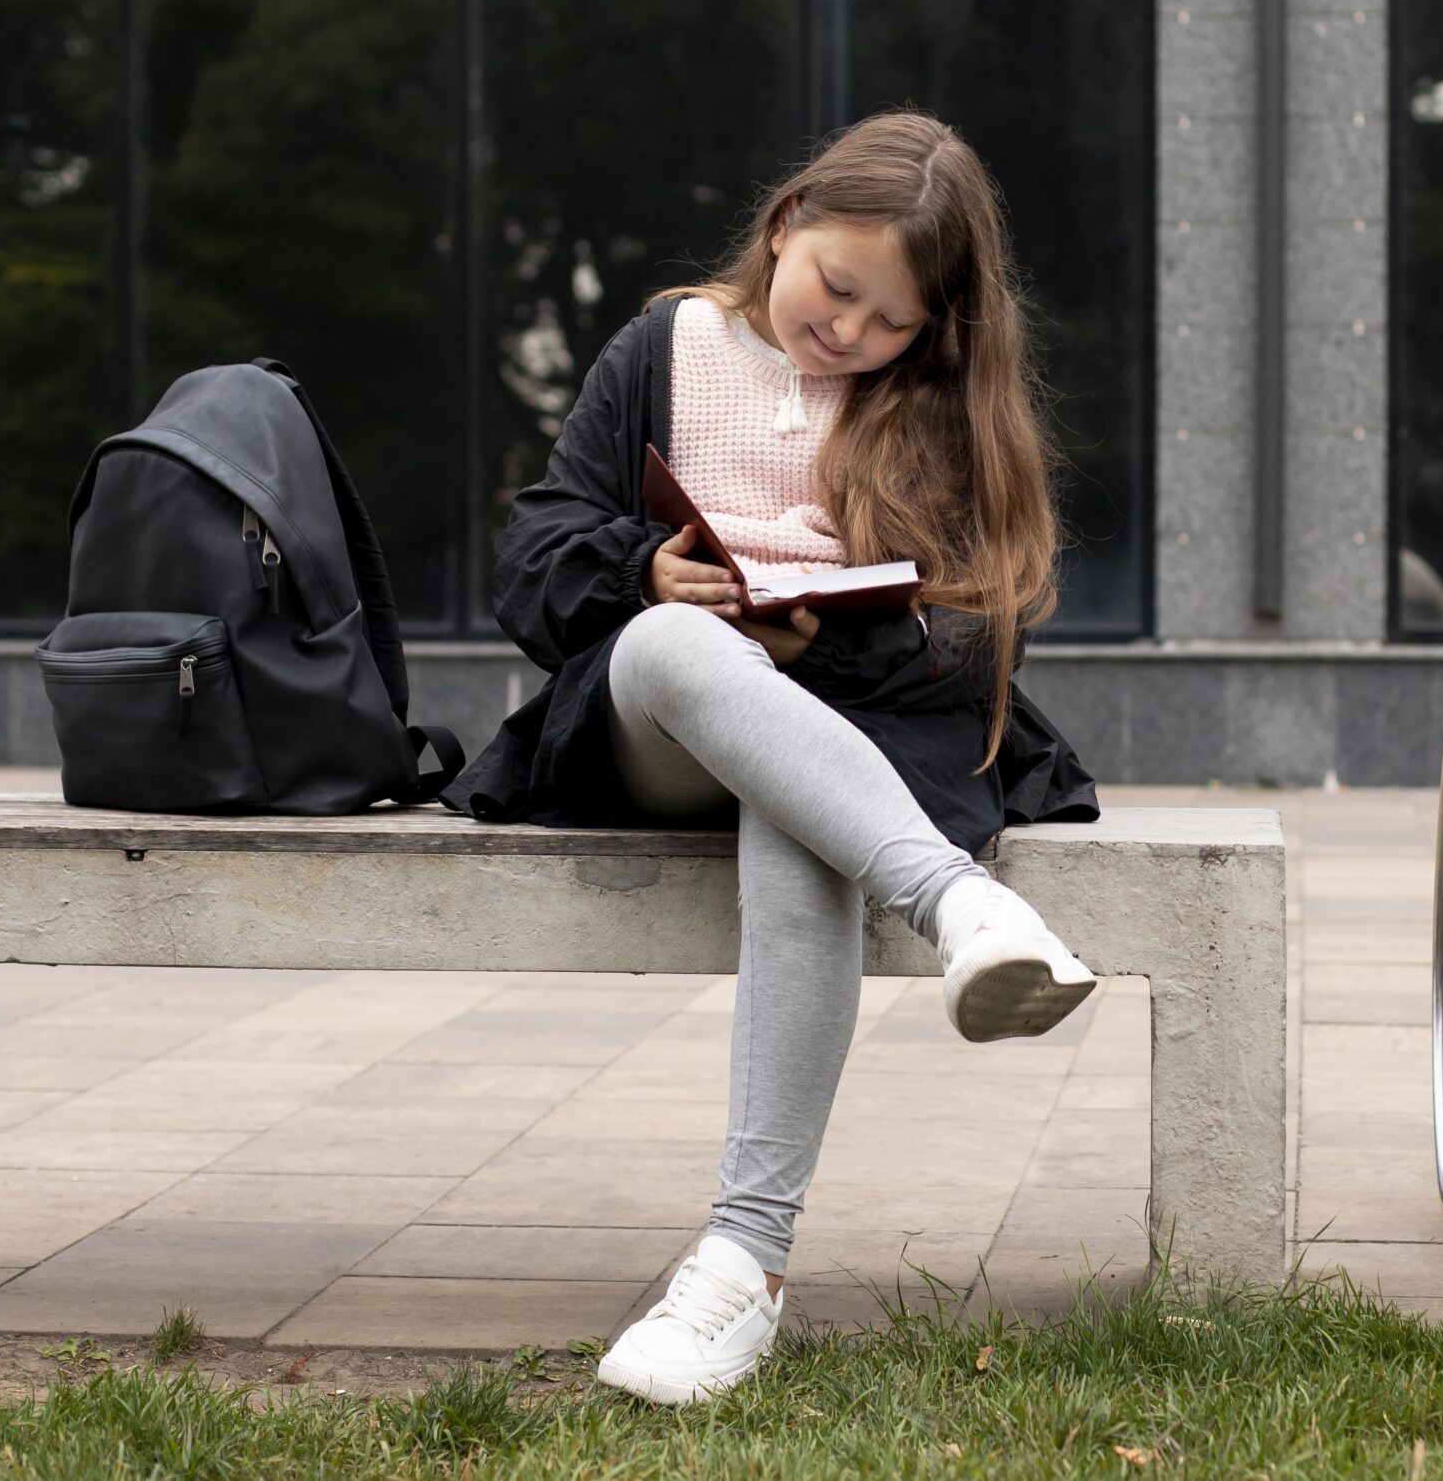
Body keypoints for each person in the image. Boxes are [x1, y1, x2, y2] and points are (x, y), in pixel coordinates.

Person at [444, 111, 1101, 1403]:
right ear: (787, 224)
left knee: (795, 816)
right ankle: (960, 904)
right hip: (658, 727)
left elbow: (975, 637)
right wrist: (646, 570)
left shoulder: (940, 405)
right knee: (676, 651)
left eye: (890, 321)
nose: (849, 333)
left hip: (850, 731)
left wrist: (818, 647)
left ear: (937, 328)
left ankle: (742, 1268)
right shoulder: (669, 345)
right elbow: (531, 559)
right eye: (836, 288)